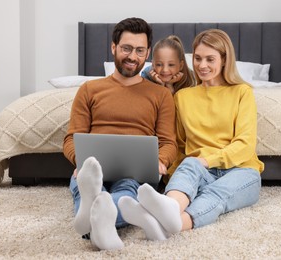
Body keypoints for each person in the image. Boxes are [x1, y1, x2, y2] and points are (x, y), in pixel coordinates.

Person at [118, 29, 264, 239]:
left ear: (224, 60)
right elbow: (178, 146)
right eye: (197, 58)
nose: (202, 65)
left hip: (241, 170)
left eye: (210, 59)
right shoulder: (183, 96)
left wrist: (206, 160)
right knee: (189, 163)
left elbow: (245, 144)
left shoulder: (242, 92)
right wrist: (173, 180)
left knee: (213, 194)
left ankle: (163, 223)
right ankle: (168, 211)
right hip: (198, 168)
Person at [63, 17, 177, 250]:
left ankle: (89, 221)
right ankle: (94, 209)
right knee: (86, 183)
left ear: (147, 54)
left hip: (134, 172)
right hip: (92, 170)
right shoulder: (89, 90)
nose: (132, 57)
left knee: (127, 191)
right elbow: (71, 138)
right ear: (113, 47)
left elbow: (168, 143)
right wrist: (81, 161)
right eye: (126, 48)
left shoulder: (161, 95)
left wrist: (160, 161)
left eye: (139, 50)